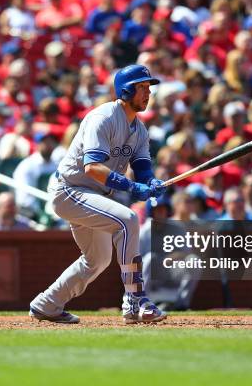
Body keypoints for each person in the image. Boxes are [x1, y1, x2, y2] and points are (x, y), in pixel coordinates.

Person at [29, 64, 167, 324]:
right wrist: (133, 187)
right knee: (128, 221)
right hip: (69, 190)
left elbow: (142, 168)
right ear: (125, 91)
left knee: (98, 259)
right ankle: (136, 299)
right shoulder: (103, 117)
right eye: (141, 88)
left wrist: (151, 183)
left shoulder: (140, 130)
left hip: (94, 196)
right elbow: (92, 167)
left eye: (148, 88)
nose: (147, 93)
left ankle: (47, 304)